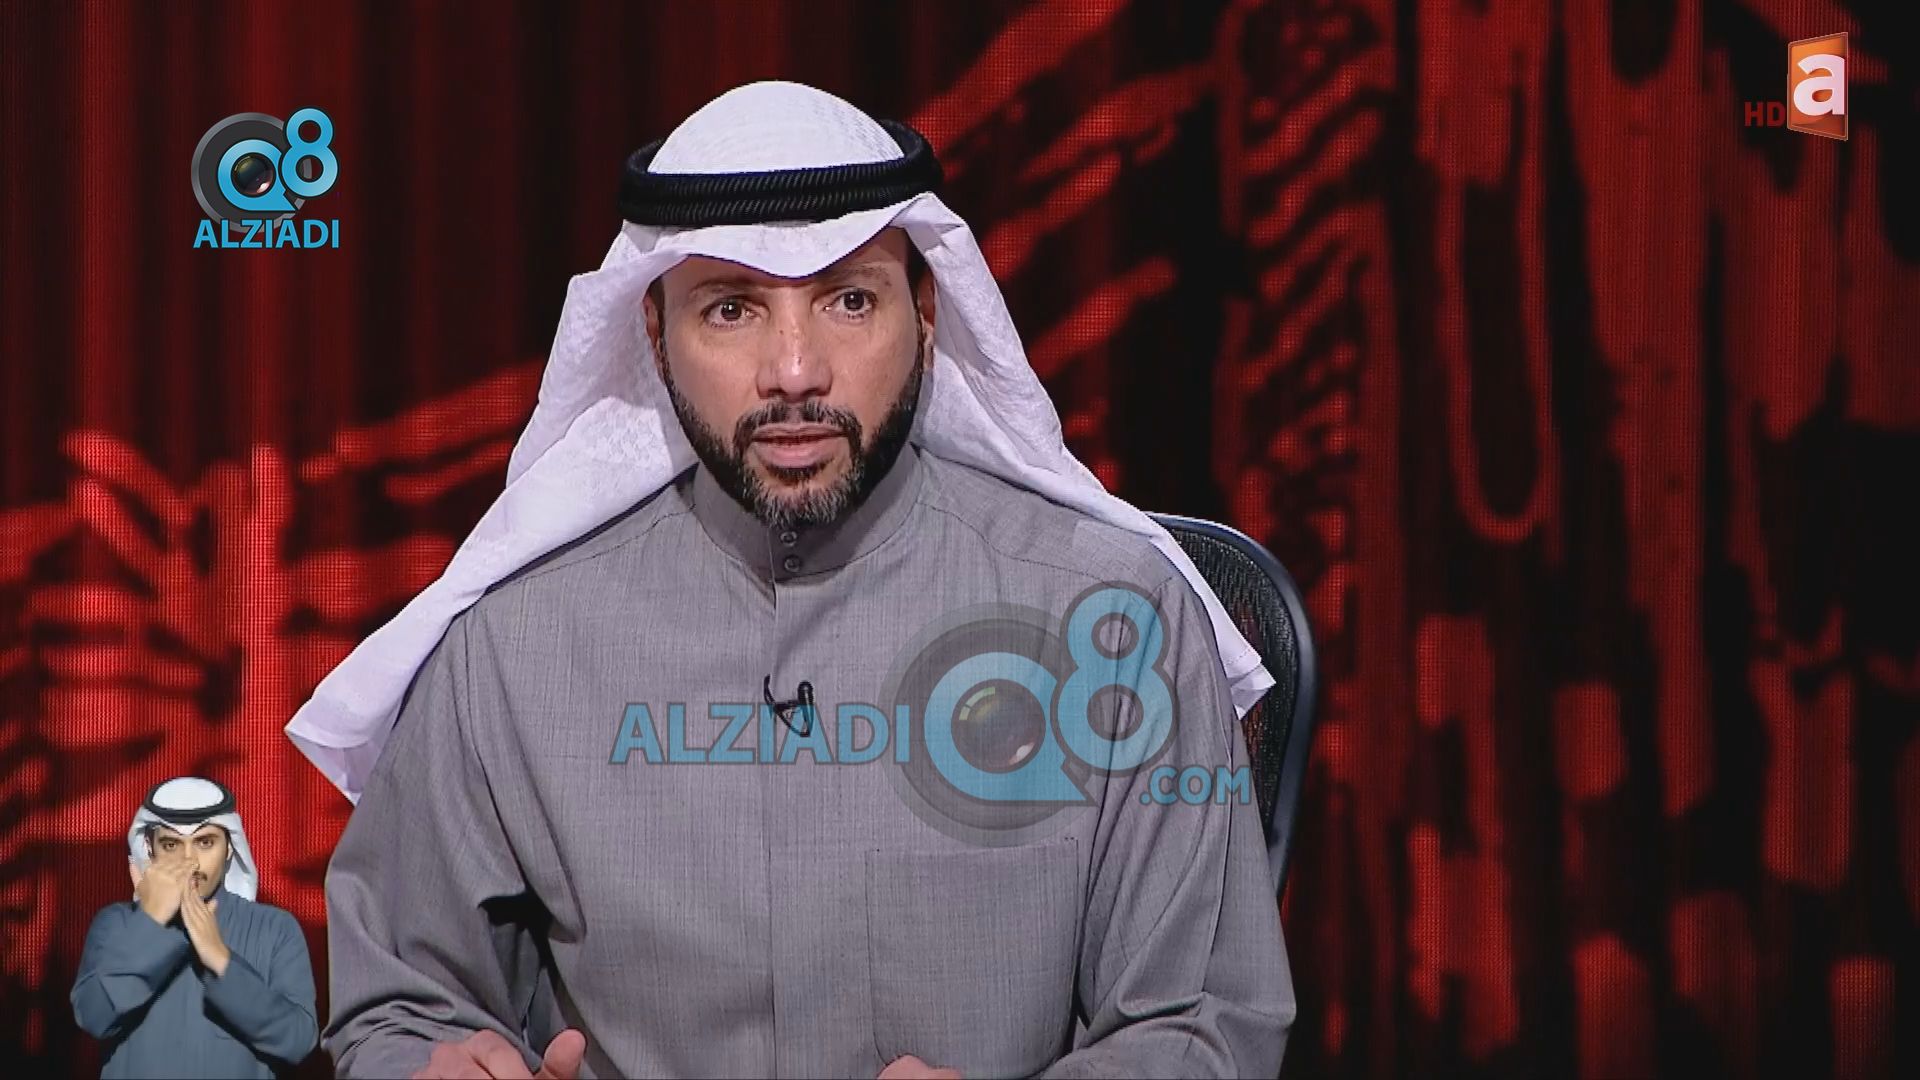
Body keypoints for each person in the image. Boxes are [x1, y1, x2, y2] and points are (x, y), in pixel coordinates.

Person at [297, 81, 1294, 1079]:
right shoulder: (510, 648)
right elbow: (398, 1009)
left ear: (928, 312)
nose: (794, 370)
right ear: (655, 335)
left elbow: (1204, 1026)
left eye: (850, 300)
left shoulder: (1117, 620)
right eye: (732, 309)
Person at [71, 777, 318, 1078]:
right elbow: (93, 1016)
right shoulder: (114, 924)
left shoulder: (274, 928)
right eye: (171, 844)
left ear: (229, 848)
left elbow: (299, 1041)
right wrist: (150, 924)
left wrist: (222, 962)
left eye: (205, 842)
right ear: (149, 849)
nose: (189, 861)